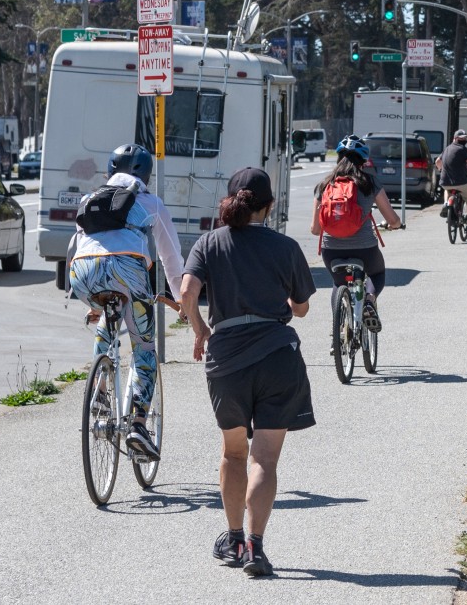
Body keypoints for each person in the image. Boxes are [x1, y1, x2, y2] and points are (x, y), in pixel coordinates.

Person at [179, 167, 315, 578]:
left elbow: (186, 293)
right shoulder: (286, 246)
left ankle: (234, 537)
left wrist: (201, 329)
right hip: (277, 356)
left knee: (234, 452)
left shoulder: (208, 243)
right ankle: (256, 548)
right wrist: (284, 306)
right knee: (265, 459)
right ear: (269, 206)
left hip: (227, 361)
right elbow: (302, 307)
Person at [67, 143, 185, 462]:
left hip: (81, 271)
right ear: (146, 174)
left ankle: (100, 391)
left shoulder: (90, 199)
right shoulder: (151, 202)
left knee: (109, 318)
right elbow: (170, 258)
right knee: (143, 347)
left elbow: (75, 246)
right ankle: (138, 424)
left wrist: (92, 297)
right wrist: (183, 299)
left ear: (109, 170)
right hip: (127, 270)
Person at [311, 135, 403, 332]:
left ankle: (338, 330)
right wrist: (395, 225)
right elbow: (393, 219)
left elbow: (315, 229)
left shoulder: (324, 185)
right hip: (365, 248)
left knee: (338, 283)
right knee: (377, 274)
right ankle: (369, 300)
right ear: (363, 161)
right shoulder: (370, 183)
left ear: (338, 157)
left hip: (331, 250)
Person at [435, 129, 467, 233]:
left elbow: (438, 161)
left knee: (447, 189)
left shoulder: (446, 149)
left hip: (446, 182)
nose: (464, 140)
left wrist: (441, 169)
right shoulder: (462, 149)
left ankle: (446, 203)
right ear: (455, 139)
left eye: (465, 138)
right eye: (462, 139)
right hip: (462, 182)